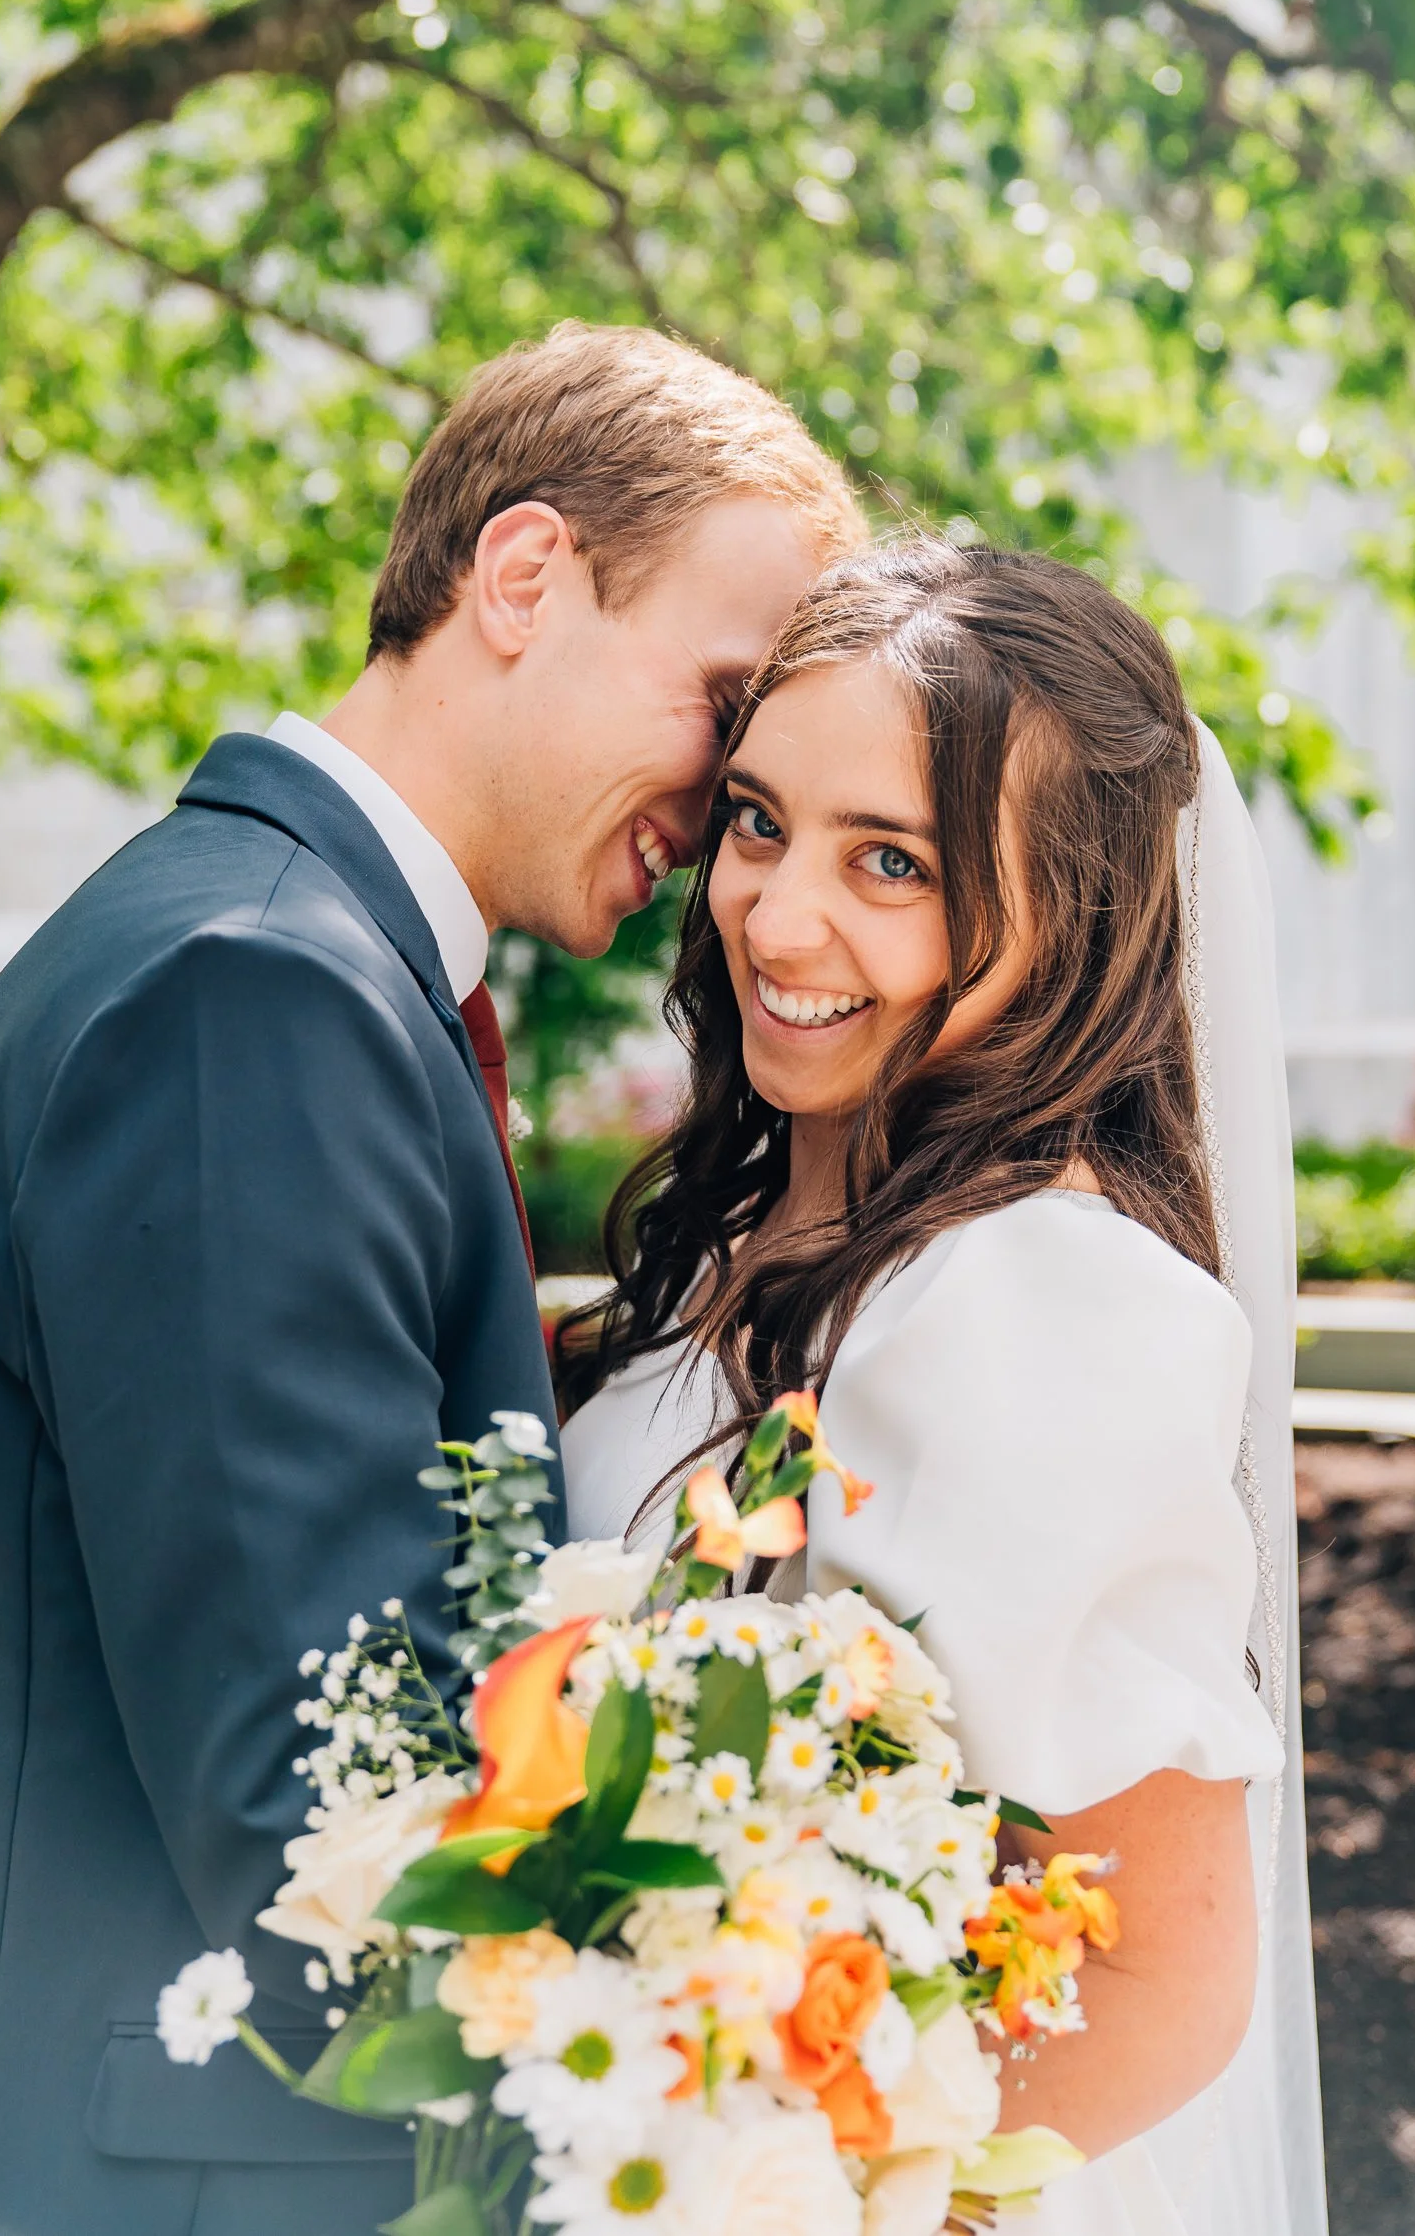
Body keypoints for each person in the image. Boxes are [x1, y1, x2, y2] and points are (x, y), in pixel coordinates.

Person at [0, 322, 863, 2236]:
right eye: (722, 702)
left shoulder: (290, 964)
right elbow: (314, 1779)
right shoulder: (249, 999)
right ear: (522, 578)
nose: (725, 812)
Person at [559, 538, 1326, 2236]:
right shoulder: (742, 1239)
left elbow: (1162, 1983)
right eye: (758, 822)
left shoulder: (1044, 1300)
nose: (776, 914)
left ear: (1075, 921)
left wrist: (740, 2199)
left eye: (889, 861)